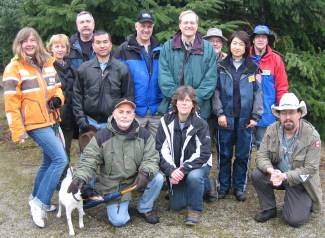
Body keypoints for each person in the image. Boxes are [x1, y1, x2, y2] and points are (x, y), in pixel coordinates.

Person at [2, 27, 68, 228]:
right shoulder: (13, 68)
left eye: (33, 40)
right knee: (60, 159)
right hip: (33, 123)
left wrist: (58, 98)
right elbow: (11, 103)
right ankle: (40, 203)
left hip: (51, 119)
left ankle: (34, 196)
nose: (29, 44)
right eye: (25, 41)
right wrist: (17, 130)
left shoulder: (47, 62)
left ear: (38, 42)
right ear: (19, 44)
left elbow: (56, 86)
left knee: (48, 161)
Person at [67, 98, 164, 227]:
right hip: (113, 185)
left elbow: (152, 157)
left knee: (158, 178)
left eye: (129, 112)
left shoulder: (144, 134)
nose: (125, 116)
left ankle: (144, 208)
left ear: (134, 115)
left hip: (136, 178)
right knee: (119, 221)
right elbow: (89, 159)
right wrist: (80, 177)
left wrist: (145, 172)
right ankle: (122, 203)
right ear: (114, 114)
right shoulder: (102, 135)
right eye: (121, 112)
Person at [252, 93, 322, 227]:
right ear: (279, 115)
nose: (287, 117)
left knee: (294, 220)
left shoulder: (312, 136)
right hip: (277, 175)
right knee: (257, 174)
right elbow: (261, 156)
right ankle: (269, 208)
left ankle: (303, 202)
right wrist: (271, 171)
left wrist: (285, 176)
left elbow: (310, 170)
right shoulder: (272, 129)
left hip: (299, 182)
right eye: (283, 113)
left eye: (291, 112)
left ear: (299, 113)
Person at [212, 31, 263, 201]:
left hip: (245, 120)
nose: (237, 47)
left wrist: (255, 116)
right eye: (234, 43)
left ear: (246, 47)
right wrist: (219, 113)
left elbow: (258, 93)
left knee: (243, 155)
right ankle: (223, 186)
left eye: (241, 44)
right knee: (224, 155)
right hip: (225, 119)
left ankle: (239, 187)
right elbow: (216, 91)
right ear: (230, 45)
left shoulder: (253, 68)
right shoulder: (220, 67)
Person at [156, 86, 214, 225]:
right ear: (175, 102)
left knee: (194, 177)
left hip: (198, 165)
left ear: (193, 104)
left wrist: (183, 170)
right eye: (181, 99)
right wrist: (171, 171)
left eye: (188, 100)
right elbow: (161, 150)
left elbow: (204, 153)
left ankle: (195, 209)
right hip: (175, 168)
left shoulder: (201, 123)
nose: (184, 103)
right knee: (176, 205)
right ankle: (203, 186)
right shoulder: (165, 121)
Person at [73, 30, 133, 139]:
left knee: (112, 156)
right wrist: (82, 121)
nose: (102, 46)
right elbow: (77, 96)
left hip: (113, 123)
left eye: (105, 42)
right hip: (89, 123)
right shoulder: (84, 69)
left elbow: (128, 97)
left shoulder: (122, 69)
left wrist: (119, 120)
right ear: (93, 46)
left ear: (110, 45)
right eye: (98, 42)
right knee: (88, 156)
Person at [158, 10, 217, 120]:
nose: (189, 26)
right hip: (173, 107)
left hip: (199, 108)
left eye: (192, 23)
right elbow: (164, 78)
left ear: (197, 25)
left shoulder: (208, 49)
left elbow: (210, 80)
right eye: (185, 23)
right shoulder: (167, 47)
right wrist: (179, 100)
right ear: (180, 25)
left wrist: (193, 100)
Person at [114, 10, 162, 136]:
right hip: (133, 111)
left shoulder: (161, 50)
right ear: (136, 26)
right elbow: (115, 81)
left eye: (149, 26)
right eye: (142, 26)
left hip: (156, 112)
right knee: (132, 149)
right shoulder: (123, 50)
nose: (146, 29)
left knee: (155, 150)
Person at [250, 25, 288, 149]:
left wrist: (282, 110)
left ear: (267, 40)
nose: (260, 40)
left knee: (265, 149)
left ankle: (265, 169)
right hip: (247, 113)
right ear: (253, 40)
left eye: (263, 37)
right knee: (246, 148)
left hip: (268, 114)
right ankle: (246, 169)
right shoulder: (245, 57)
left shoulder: (276, 60)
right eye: (257, 37)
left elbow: (282, 87)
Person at [47, 34, 78, 158]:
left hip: (69, 115)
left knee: (66, 149)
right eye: (57, 46)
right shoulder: (47, 67)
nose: (60, 49)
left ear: (67, 49)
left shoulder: (72, 69)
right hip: (54, 115)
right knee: (55, 152)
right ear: (51, 49)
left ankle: (66, 175)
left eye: (63, 46)